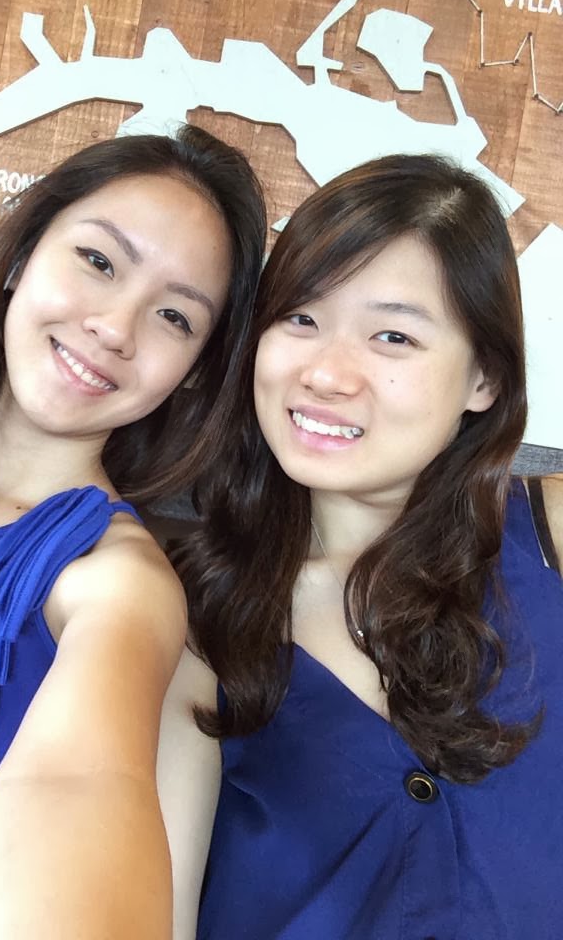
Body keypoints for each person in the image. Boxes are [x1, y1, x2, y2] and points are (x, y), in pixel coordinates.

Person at [0, 124, 266, 939]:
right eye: (99, 261)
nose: (116, 327)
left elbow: (79, 794)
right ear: (18, 257)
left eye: (175, 316)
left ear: (193, 375)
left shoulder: (117, 585)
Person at [165, 154, 563, 940]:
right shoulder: (194, 617)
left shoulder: (548, 535)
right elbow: (156, 907)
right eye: (301, 318)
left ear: (483, 378)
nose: (326, 374)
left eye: (393, 335)